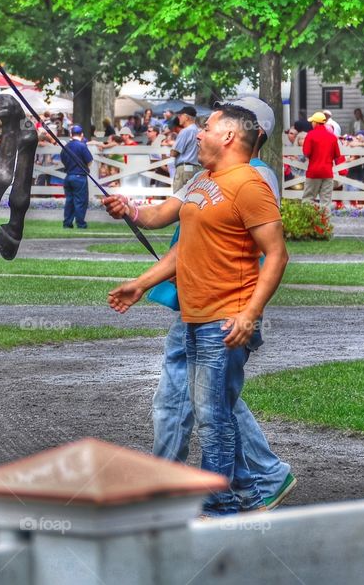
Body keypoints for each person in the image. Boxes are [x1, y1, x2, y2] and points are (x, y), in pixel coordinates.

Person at [103, 96, 295, 511]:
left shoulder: (251, 182)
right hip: (195, 313)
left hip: (225, 317)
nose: (198, 132)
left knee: (212, 417)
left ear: (229, 135)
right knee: (215, 410)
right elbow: (179, 240)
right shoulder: (205, 179)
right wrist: (140, 281)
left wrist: (249, 314)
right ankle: (249, 492)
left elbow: (277, 255)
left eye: (207, 127)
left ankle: (217, 506)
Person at [302, 111, 343, 210]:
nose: (312, 124)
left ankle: (309, 222)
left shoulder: (310, 135)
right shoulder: (332, 137)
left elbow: (306, 152)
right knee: (326, 201)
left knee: (308, 199)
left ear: (316, 123)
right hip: (327, 172)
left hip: (313, 172)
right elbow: (337, 155)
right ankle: (325, 224)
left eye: (312, 122)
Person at [62, 125, 93, 229]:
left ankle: (67, 223)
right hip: (80, 176)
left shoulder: (66, 146)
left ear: (71, 134)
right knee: (80, 201)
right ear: (82, 134)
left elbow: (63, 159)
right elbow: (89, 161)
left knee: (69, 201)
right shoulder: (82, 146)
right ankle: (80, 223)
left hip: (69, 176)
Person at [171, 106, 199, 192]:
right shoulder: (198, 130)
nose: (178, 117)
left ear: (186, 117)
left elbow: (174, 153)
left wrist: (172, 148)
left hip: (184, 169)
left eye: (180, 115)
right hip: (195, 169)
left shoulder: (185, 131)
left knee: (178, 198)